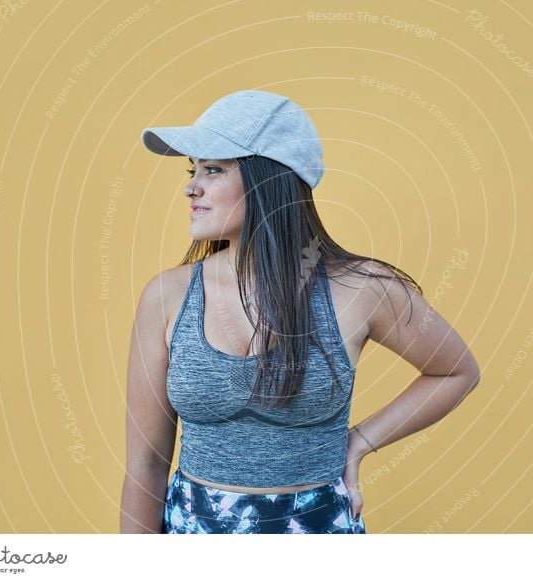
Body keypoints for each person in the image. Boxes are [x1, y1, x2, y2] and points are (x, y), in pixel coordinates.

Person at [120, 89, 481, 534]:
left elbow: (456, 371)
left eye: (214, 169)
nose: (191, 186)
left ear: (270, 178)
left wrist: (358, 444)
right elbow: (145, 463)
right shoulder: (167, 295)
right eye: (193, 170)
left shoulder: (362, 288)